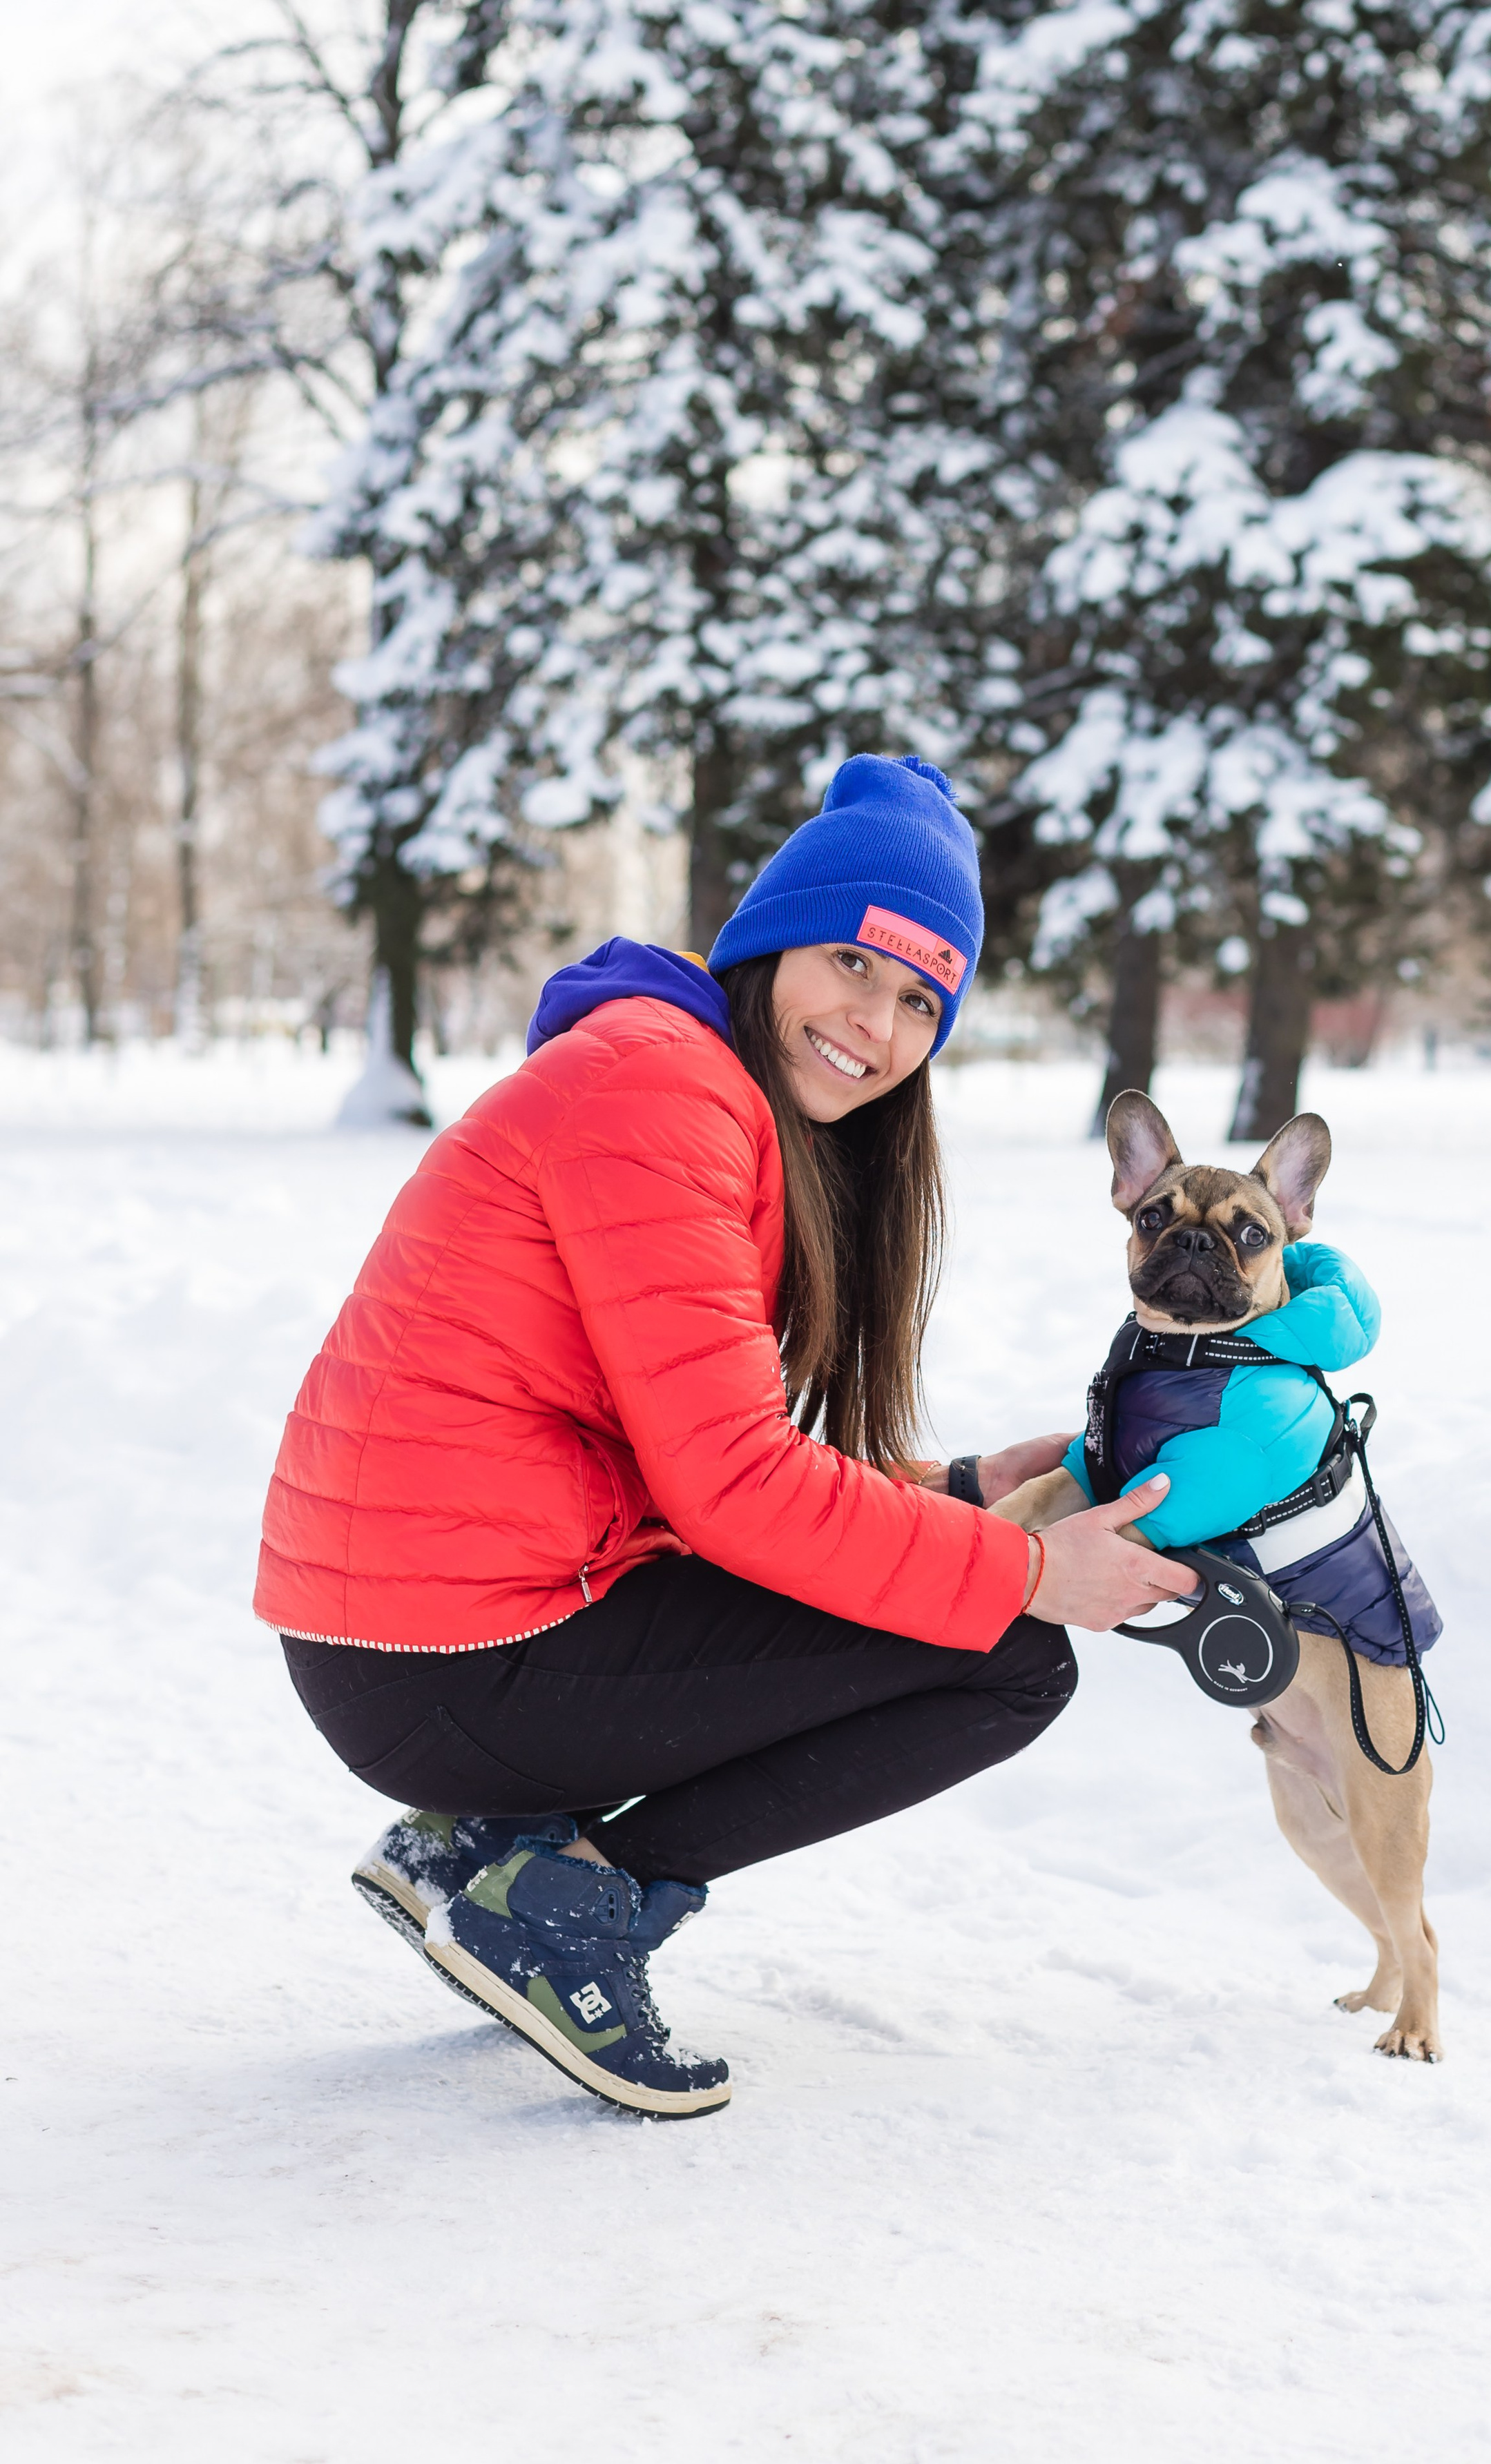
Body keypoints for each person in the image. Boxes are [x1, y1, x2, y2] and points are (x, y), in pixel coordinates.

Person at [260, 756, 1184, 2117]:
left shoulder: (682, 1077)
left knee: (956, 1604)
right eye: (852, 964)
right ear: (769, 943)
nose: (875, 1025)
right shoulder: (661, 1094)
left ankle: (483, 1846)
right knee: (1009, 1658)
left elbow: (694, 1451)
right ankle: (560, 1902)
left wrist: (958, 1486)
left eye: (919, 1001)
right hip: (448, 1653)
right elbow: (734, 1488)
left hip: (431, 1627)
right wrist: (1032, 1571)